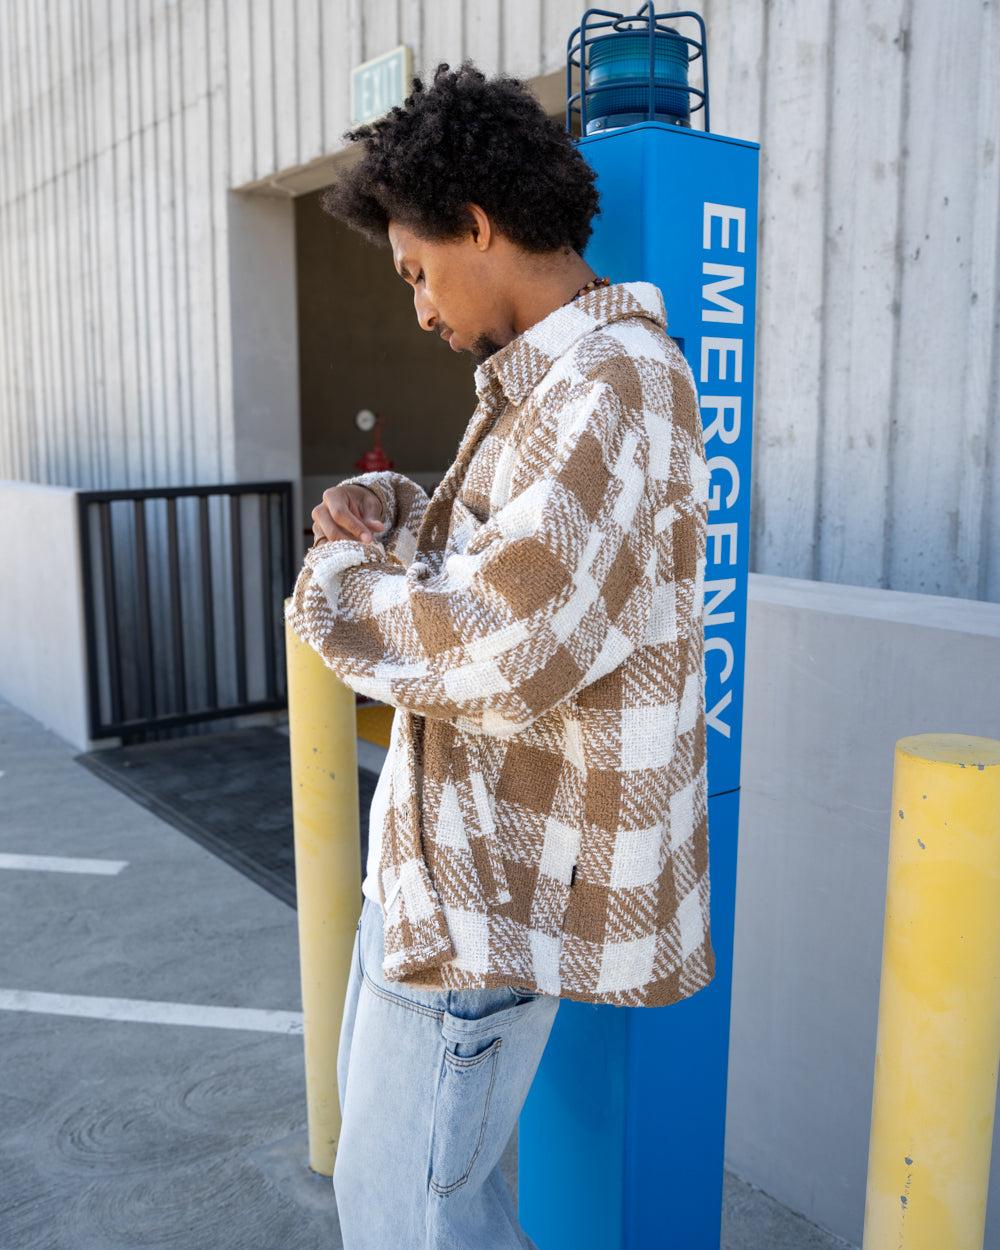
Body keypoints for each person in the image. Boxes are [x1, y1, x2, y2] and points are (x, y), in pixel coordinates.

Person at [286, 62, 713, 1250]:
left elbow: (503, 639)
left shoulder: (610, 381)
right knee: (411, 1206)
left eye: (418, 269)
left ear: (478, 224)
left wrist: (332, 582)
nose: (416, 305)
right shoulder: (547, 388)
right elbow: (515, 560)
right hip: (442, 885)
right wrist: (398, 508)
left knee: (417, 1222)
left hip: (480, 899)